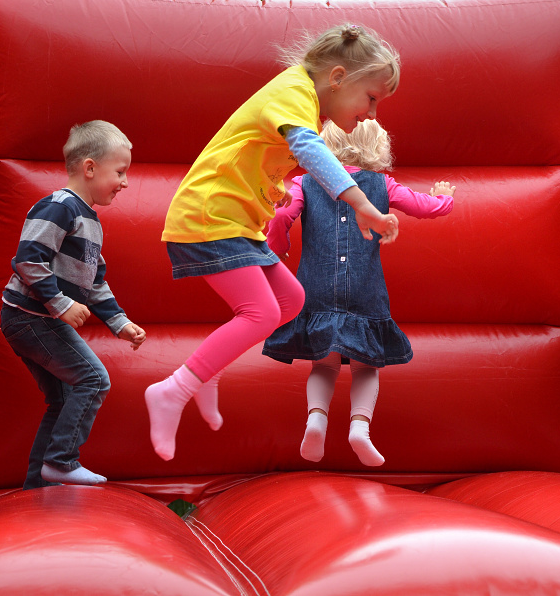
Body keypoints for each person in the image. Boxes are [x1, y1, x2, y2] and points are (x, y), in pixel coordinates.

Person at [145, 24, 402, 461]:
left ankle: (208, 372)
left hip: (238, 222)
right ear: (337, 78)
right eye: (371, 98)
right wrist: (361, 202)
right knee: (261, 312)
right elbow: (308, 150)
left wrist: (274, 189)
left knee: (292, 300)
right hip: (210, 217)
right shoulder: (295, 91)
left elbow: (256, 153)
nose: (373, 113)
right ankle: (173, 390)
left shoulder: (303, 103)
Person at [263, 119, 455, 466]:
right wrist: (444, 199)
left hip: (316, 291)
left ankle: (316, 419)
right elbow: (421, 207)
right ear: (377, 147)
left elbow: (280, 218)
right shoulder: (383, 184)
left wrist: (278, 249)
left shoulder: (305, 182)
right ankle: (359, 428)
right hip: (364, 291)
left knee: (324, 365)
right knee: (366, 368)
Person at [1, 120, 147, 489]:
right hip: (30, 317)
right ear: (90, 167)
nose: (125, 182)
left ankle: (40, 481)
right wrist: (61, 303)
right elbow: (28, 259)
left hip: (38, 319)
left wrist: (120, 322)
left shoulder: (90, 220)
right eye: (120, 171)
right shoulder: (59, 207)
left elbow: (95, 281)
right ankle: (62, 462)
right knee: (94, 379)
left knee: (63, 396)